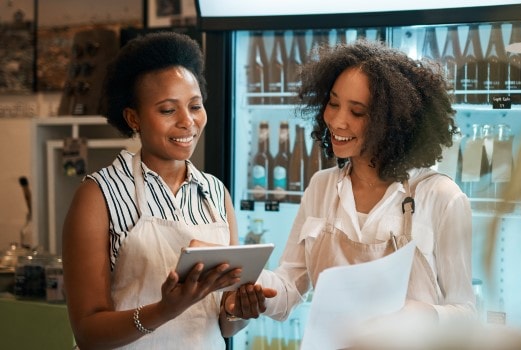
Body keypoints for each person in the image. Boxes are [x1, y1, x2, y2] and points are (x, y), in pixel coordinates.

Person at [61, 31, 271, 349]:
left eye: (195, 106)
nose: (188, 122)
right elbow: (88, 332)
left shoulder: (215, 193)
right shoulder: (98, 195)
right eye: (167, 110)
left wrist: (237, 310)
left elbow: (224, 326)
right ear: (134, 118)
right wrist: (163, 310)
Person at [253, 39, 475, 329]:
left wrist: (422, 315)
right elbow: (288, 288)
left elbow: (466, 314)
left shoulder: (441, 197)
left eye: (357, 112)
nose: (337, 121)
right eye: (333, 104)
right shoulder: (321, 187)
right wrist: (249, 282)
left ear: (392, 122)